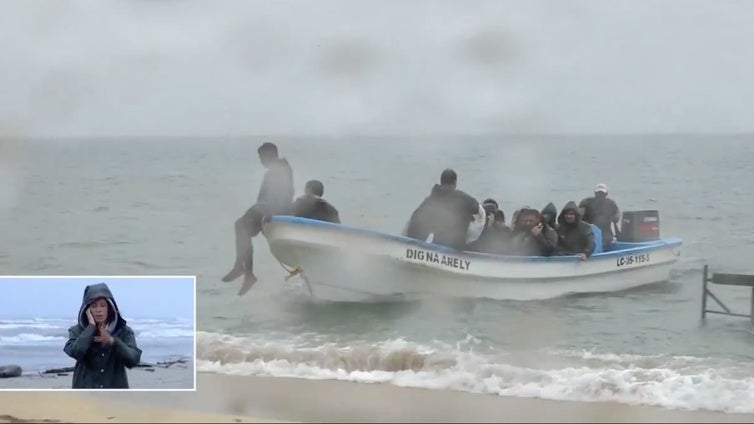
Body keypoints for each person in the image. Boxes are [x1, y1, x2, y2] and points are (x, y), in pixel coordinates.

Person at [222, 142, 295, 296]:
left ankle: (243, 270)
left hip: (271, 211)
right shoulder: (277, 170)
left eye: (261, 157)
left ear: (270, 155)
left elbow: (287, 193)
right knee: (240, 227)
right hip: (265, 209)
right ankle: (245, 272)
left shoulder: (280, 170)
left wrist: (274, 212)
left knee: (240, 226)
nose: (260, 161)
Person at [63, 283, 142, 389]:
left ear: (109, 308)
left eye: (102, 305)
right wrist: (90, 328)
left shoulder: (124, 331)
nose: (98, 310)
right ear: (87, 309)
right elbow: (76, 352)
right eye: (94, 306)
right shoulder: (77, 331)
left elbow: (133, 360)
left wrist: (113, 341)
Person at [405, 169, 484, 250]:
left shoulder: (431, 199)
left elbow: (415, 218)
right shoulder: (465, 199)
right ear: (455, 183)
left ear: (441, 182)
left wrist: (411, 243)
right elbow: (480, 211)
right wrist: (474, 237)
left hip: (436, 246)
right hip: (457, 249)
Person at [578, 183, 620, 250]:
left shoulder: (611, 203)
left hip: (606, 235)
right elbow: (578, 216)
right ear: (595, 193)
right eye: (598, 193)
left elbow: (617, 216)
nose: (600, 195)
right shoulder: (586, 202)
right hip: (588, 234)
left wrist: (615, 217)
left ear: (606, 194)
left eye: (602, 193)